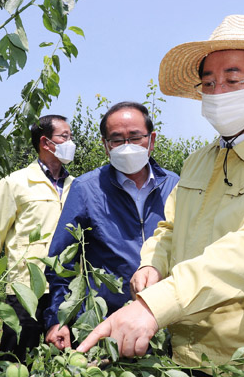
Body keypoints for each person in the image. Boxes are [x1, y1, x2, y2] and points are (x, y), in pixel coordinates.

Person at [77, 14, 244, 377]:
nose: (217, 92)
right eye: (208, 82)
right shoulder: (197, 162)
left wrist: (154, 306)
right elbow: (169, 227)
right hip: (185, 356)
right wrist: (153, 263)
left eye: (232, 79)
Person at [44, 101, 179, 350]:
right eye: (117, 140)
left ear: (152, 140)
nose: (127, 146)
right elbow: (61, 261)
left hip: (166, 323)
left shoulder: (176, 187)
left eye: (135, 137)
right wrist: (57, 319)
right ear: (106, 147)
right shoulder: (87, 189)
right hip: (106, 326)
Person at [0, 115, 75, 363]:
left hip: (65, 289)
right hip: (25, 289)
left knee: (61, 359)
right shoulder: (16, 183)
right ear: (46, 142)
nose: (71, 142)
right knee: (16, 359)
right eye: (65, 136)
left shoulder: (76, 186)